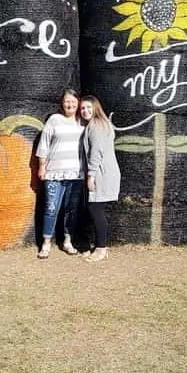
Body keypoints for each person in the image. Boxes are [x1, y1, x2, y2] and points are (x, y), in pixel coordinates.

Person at [36, 89, 85, 259]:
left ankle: (67, 241)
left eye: (73, 101)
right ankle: (46, 243)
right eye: (66, 101)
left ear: (78, 102)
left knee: (71, 209)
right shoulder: (54, 120)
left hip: (76, 173)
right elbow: (44, 143)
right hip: (53, 172)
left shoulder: (82, 121)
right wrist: (42, 166)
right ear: (61, 103)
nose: (70, 104)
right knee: (51, 207)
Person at [79, 95, 120, 262]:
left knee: (96, 210)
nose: (85, 111)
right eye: (82, 108)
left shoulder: (96, 125)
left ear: (96, 108)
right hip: (104, 172)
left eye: (89, 107)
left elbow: (96, 152)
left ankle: (101, 249)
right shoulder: (99, 124)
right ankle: (99, 246)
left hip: (101, 173)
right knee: (95, 209)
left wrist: (91, 175)